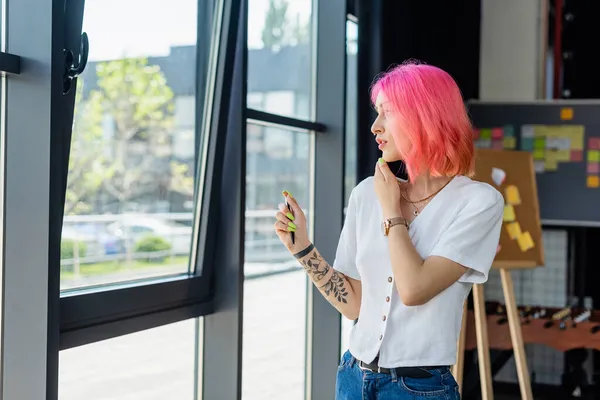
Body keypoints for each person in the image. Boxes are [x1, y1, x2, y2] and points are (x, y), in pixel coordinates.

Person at [274, 61, 504, 399]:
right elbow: (354, 305)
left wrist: (391, 210)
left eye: (386, 112)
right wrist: (303, 249)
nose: (374, 126)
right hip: (353, 377)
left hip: (418, 388)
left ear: (424, 116)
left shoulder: (478, 202)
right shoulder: (366, 193)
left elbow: (414, 289)